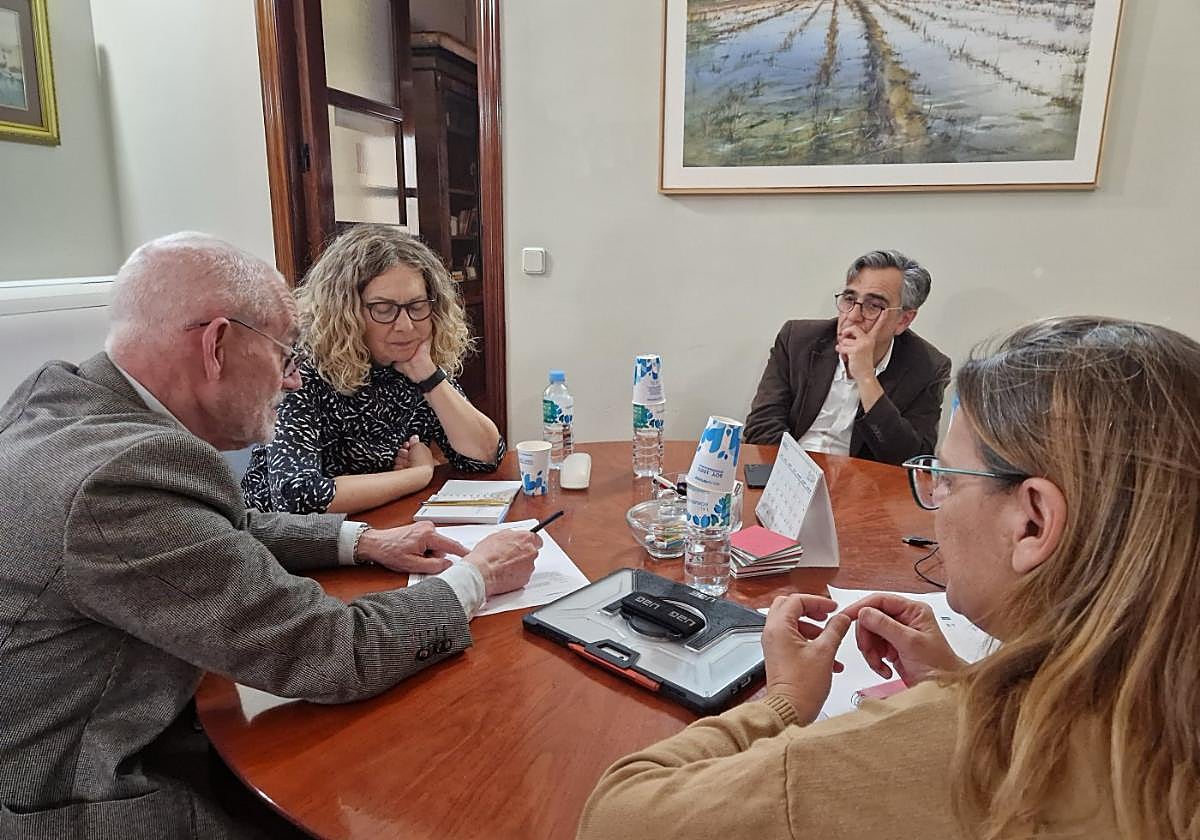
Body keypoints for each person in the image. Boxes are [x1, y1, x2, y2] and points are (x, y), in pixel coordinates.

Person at [0, 232, 540, 840]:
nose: (289, 381)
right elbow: (329, 651)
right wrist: (476, 578)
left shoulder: (69, 400)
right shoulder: (120, 481)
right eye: (284, 355)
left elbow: (227, 524)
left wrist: (361, 542)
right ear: (216, 345)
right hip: (77, 794)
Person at [579, 317, 1199, 840]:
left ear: (1032, 522)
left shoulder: (958, 748)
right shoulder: (1161, 714)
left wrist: (784, 702)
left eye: (948, 479)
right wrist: (961, 678)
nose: (935, 499)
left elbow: (617, 817)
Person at [242, 225, 503, 515]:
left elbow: (485, 456)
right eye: (383, 309)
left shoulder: (413, 365)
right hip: (290, 545)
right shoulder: (300, 370)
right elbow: (298, 497)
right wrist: (416, 475)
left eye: (416, 306)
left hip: (375, 523)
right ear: (346, 311)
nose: (405, 325)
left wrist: (430, 377)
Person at [743, 249, 950, 465]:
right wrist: (800, 479)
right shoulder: (797, 339)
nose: (852, 316)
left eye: (874, 306)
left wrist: (867, 379)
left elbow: (911, 462)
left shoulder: (929, 368)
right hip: (785, 475)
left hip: (861, 488)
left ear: (903, 320)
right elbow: (762, 427)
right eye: (849, 299)